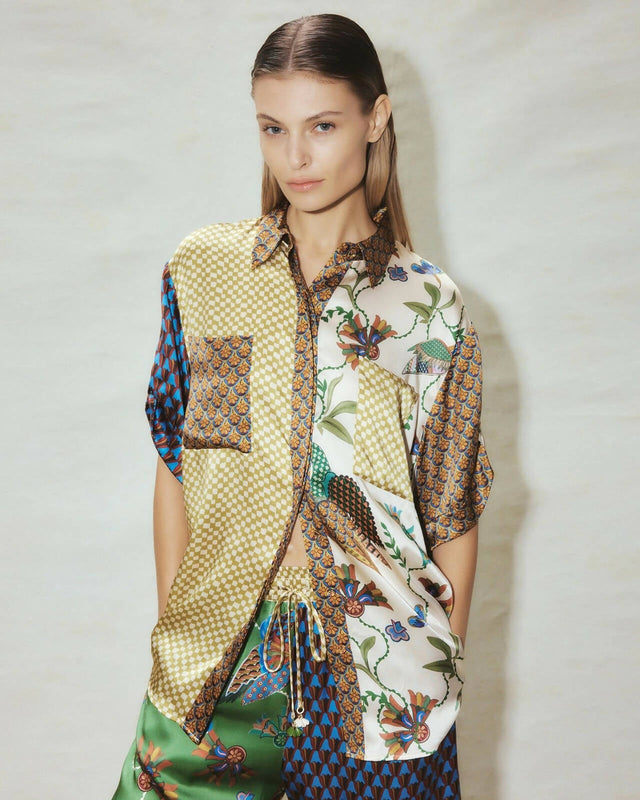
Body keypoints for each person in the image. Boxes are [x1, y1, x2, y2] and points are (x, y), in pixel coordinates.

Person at [110, 12, 494, 800]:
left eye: (322, 125)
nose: (296, 157)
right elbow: (180, 463)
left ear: (375, 119)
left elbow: (452, 511)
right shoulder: (205, 271)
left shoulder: (428, 308)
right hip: (222, 652)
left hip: (380, 675)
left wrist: (437, 673)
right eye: (273, 128)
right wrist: (179, 627)